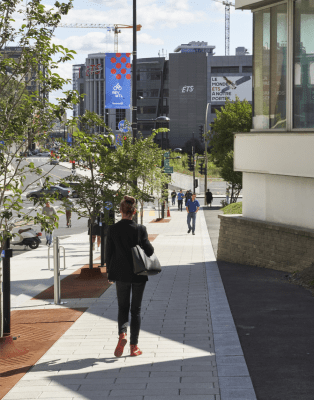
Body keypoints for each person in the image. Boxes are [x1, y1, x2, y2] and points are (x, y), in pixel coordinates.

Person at [106, 195, 154, 358]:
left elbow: (109, 254)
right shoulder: (140, 229)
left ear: (121, 211)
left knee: (122, 308)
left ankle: (122, 334)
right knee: (136, 310)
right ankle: (134, 347)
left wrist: (110, 274)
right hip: (138, 273)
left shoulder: (112, 229)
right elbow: (149, 251)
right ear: (134, 212)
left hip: (120, 274)